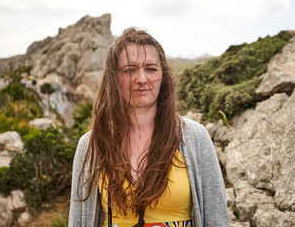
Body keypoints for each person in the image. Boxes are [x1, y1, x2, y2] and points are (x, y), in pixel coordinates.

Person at [68, 27, 229, 227]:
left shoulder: (194, 137)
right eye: (129, 70)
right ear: (114, 77)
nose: (142, 79)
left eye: (151, 68)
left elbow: (217, 217)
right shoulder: (91, 145)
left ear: (163, 76)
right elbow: (78, 220)